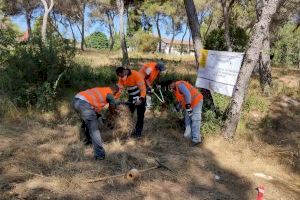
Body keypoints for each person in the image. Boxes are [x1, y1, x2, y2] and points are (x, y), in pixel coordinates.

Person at [73, 86, 118, 160]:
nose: (115, 95)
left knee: (87, 122)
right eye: (115, 93)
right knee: (94, 129)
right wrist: (113, 115)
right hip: (84, 104)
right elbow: (112, 105)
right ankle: (100, 155)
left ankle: (88, 141)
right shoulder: (109, 94)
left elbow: (93, 104)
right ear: (114, 91)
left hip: (76, 101)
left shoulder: (102, 90)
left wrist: (98, 115)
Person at [168, 80, 204, 146]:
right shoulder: (175, 90)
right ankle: (188, 136)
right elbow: (181, 100)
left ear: (173, 82)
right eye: (169, 87)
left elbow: (188, 95)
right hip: (190, 105)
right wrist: (177, 108)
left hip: (196, 101)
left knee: (195, 119)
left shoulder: (179, 84)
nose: (170, 87)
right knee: (188, 119)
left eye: (170, 85)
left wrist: (188, 106)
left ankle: (196, 139)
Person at [115, 67, 146, 138]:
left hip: (140, 95)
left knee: (140, 114)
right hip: (131, 96)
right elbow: (120, 89)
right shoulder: (121, 77)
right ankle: (129, 130)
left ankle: (138, 132)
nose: (121, 78)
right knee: (128, 113)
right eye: (120, 76)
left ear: (124, 71)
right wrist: (114, 99)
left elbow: (143, 88)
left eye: (122, 76)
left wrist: (141, 99)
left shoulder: (136, 75)